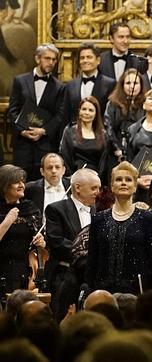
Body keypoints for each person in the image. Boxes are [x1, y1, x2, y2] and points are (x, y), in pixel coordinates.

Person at [85, 161, 152, 294]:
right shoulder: (98, 219)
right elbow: (92, 260)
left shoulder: (146, 218)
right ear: (112, 186)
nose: (123, 183)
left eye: (128, 180)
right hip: (103, 293)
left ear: (134, 187)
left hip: (137, 294)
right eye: (118, 179)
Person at [44, 168, 101, 321]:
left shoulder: (98, 211)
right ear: (77, 188)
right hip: (64, 276)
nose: (98, 192)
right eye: (94, 188)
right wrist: (87, 255)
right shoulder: (55, 209)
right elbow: (57, 242)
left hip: (91, 277)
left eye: (99, 188)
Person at [8, 43, 65, 181]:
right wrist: (22, 131)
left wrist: (43, 131)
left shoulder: (59, 87)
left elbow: (60, 115)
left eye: (53, 59)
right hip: (22, 145)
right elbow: (13, 109)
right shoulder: (20, 81)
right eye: (47, 58)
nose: (51, 62)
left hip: (45, 145)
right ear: (37, 59)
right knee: (19, 181)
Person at [0, 164, 46, 294]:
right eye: (16, 182)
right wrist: (8, 221)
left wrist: (42, 241)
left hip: (26, 270)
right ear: (4, 185)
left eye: (22, 181)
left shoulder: (30, 208)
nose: (21, 185)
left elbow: (42, 239)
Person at [62, 42, 116, 126]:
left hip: (100, 134)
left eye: (89, 57)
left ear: (98, 60)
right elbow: (65, 116)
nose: (85, 60)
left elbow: (111, 116)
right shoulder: (70, 85)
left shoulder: (110, 84)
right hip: (75, 135)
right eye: (82, 58)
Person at [104, 69, 148, 161]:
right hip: (116, 152)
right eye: (128, 83)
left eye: (135, 83)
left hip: (140, 153)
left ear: (141, 85)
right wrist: (117, 149)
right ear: (122, 85)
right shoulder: (113, 103)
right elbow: (108, 127)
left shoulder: (146, 103)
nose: (132, 86)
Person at [59, 97, 109, 179]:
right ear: (79, 111)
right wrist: (71, 177)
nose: (86, 113)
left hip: (96, 178)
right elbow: (65, 155)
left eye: (91, 110)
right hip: (74, 177)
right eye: (84, 109)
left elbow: (104, 161)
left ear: (96, 113)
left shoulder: (103, 134)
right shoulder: (70, 131)